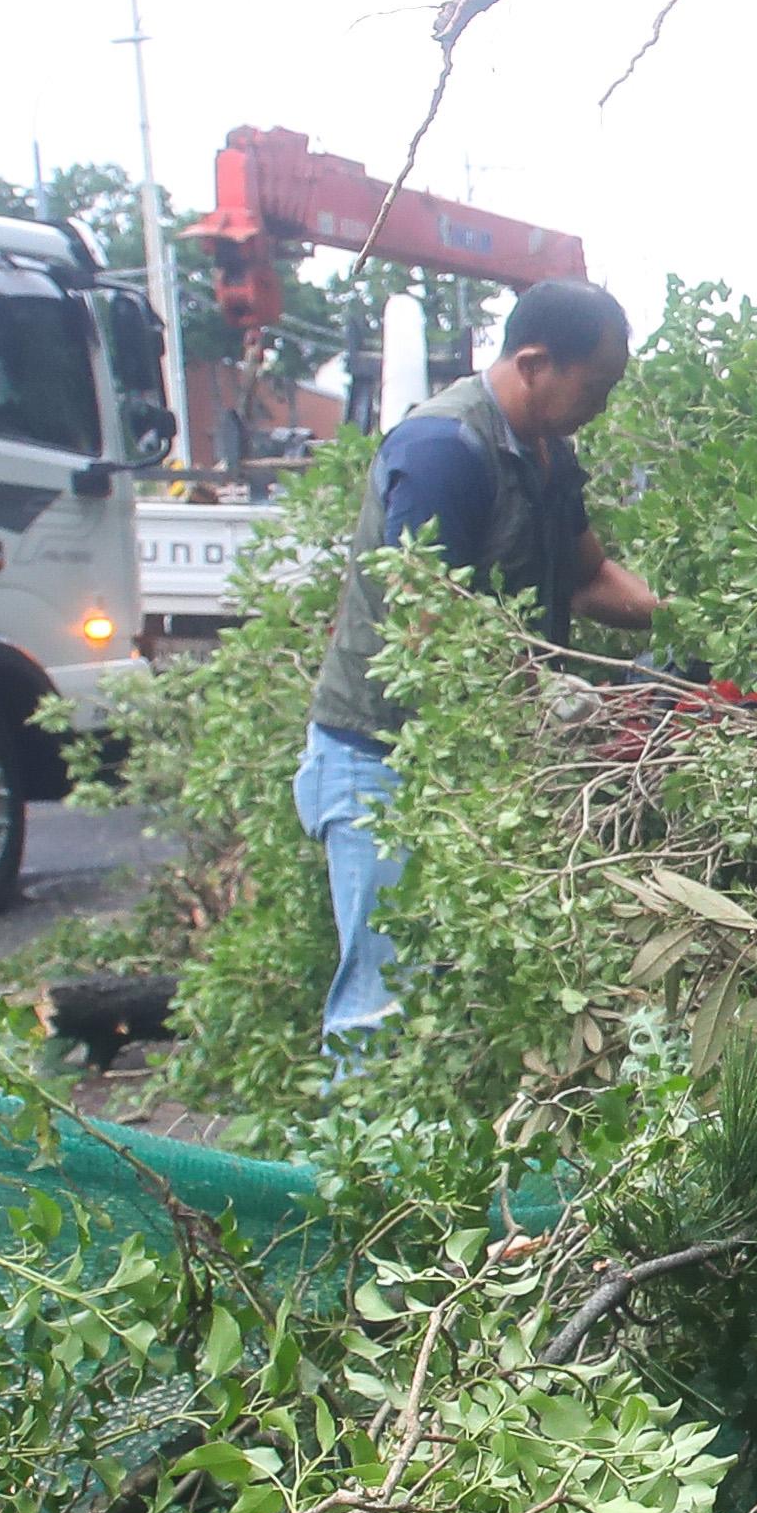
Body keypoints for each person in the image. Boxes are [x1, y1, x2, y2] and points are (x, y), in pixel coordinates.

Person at [296, 277, 662, 1038]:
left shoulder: (546, 453)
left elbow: (591, 576)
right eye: (596, 385)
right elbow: (431, 633)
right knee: (386, 1004)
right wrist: (549, 694)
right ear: (533, 363)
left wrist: (692, 623)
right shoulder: (444, 450)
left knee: (475, 998)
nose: (604, 404)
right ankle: (362, 1159)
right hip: (384, 762)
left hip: (476, 760)